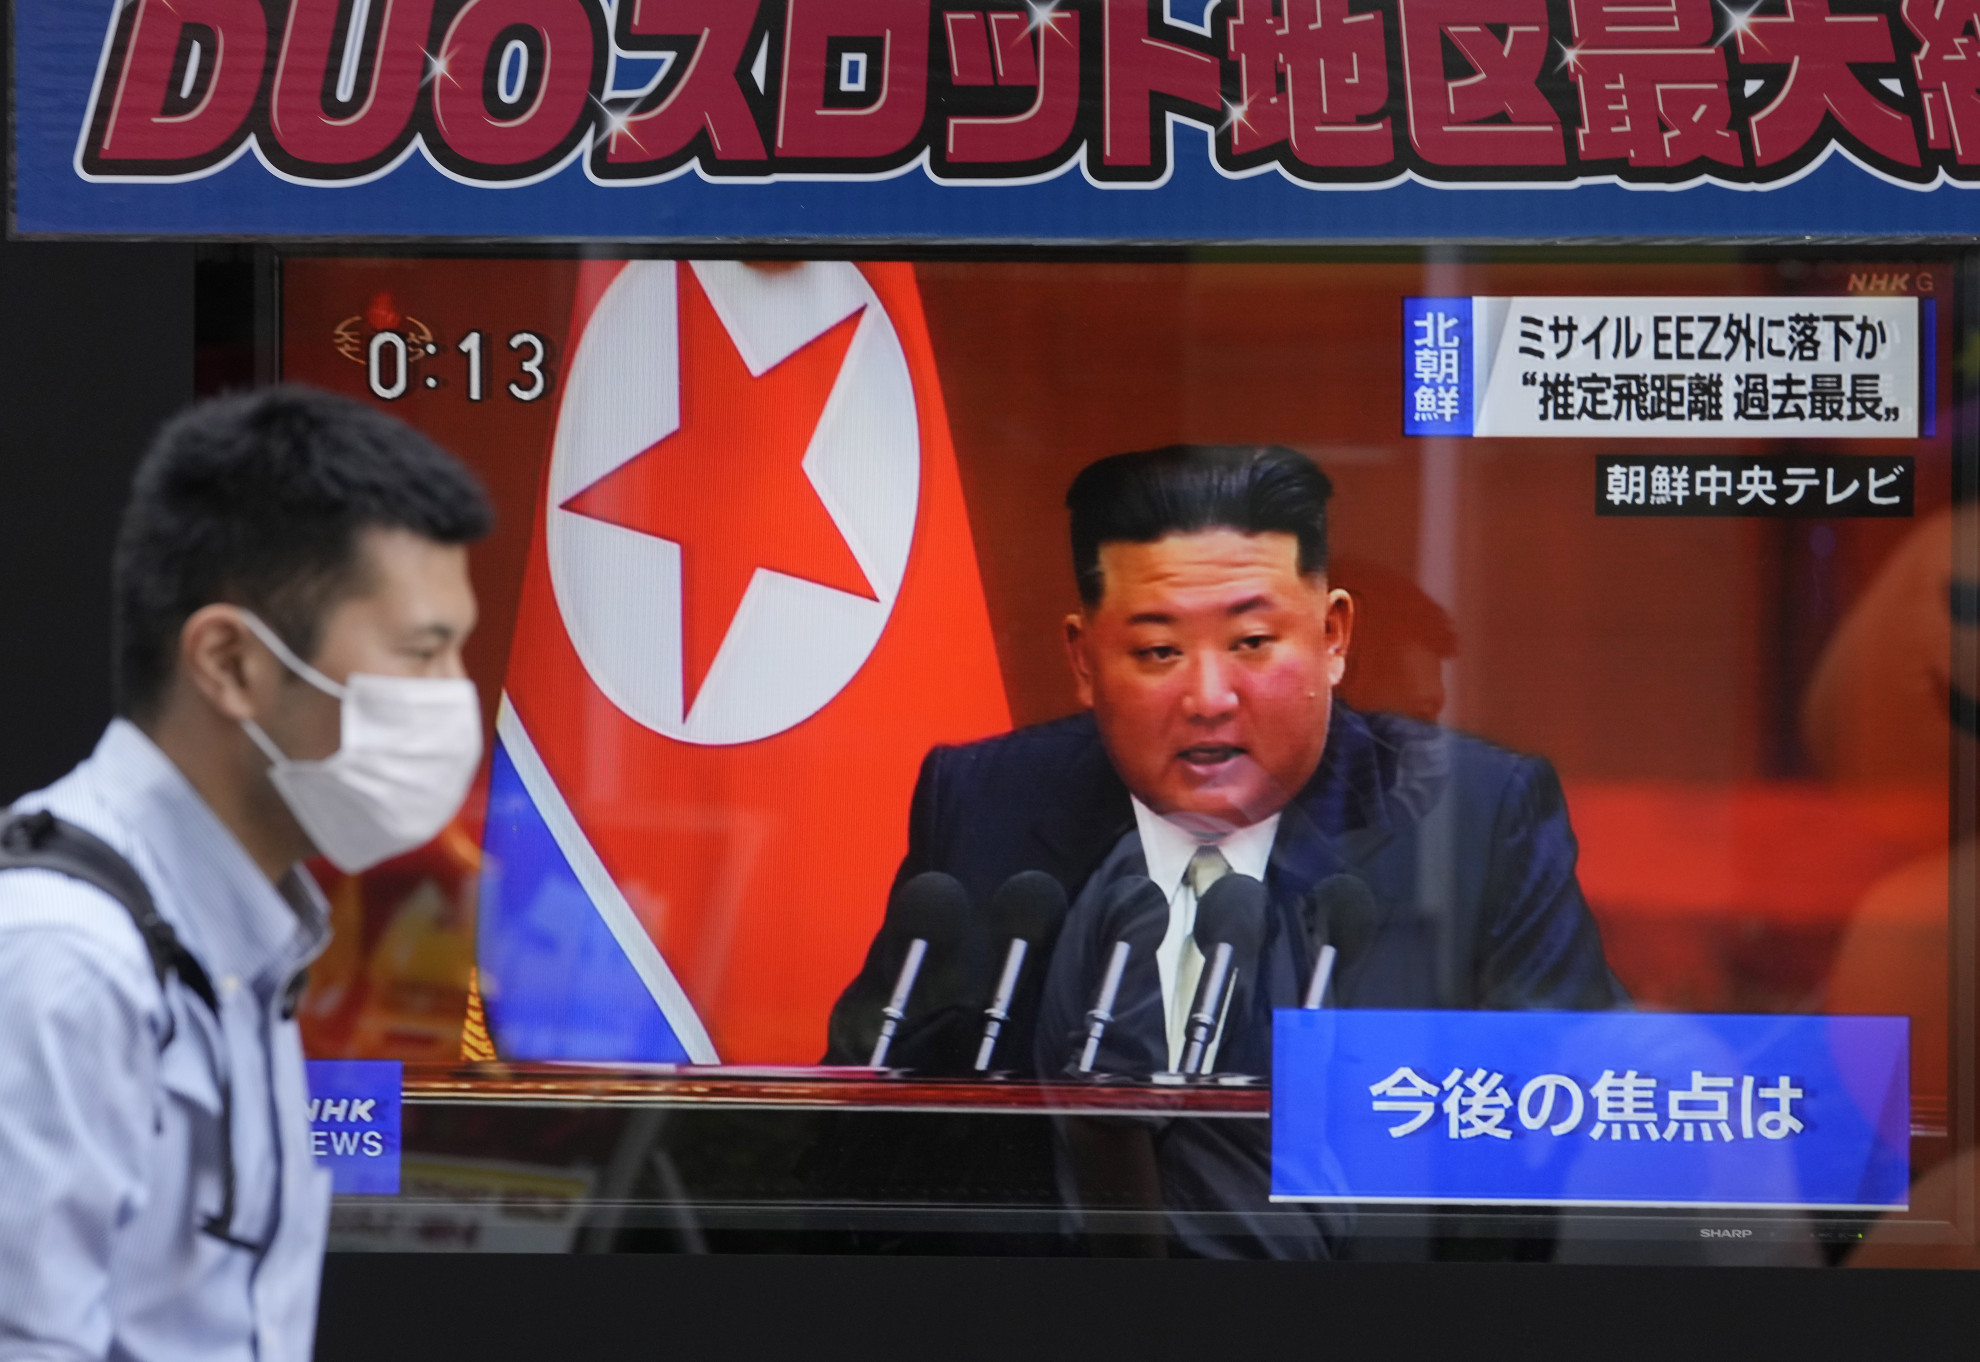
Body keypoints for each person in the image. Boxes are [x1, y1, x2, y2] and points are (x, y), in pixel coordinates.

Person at [825, 443, 1622, 1256]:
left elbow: (1553, 1140)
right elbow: (860, 1138)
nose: (1208, 699)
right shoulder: (985, 802)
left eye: (1251, 642)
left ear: (1333, 637)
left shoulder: (1480, 817)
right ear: (1083, 659)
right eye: (1158, 652)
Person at [0, 388, 491, 1359]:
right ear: (230, 663)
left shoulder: (245, 945)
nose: (456, 698)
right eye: (422, 653)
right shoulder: (66, 966)